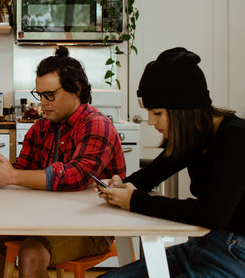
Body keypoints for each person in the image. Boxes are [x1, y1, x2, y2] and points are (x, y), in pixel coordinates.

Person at [0, 46, 127, 278]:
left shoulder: (97, 124)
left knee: (30, 253)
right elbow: (23, 170)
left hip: (94, 225)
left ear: (76, 89)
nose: (43, 103)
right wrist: (0, 172)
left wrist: (13, 176)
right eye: (40, 95)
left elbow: (76, 177)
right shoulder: (40, 128)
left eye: (50, 95)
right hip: (47, 217)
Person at [97, 47, 245, 277]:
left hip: (236, 254)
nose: (150, 121)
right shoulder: (194, 137)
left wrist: (135, 201)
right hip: (205, 244)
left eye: (157, 112)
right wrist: (120, 185)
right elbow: (150, 175)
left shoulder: (236, 139)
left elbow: (213, 214)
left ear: (183, 111)